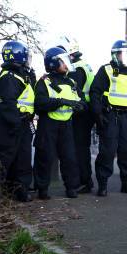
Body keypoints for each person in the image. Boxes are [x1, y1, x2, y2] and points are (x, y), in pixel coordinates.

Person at [90, 40, 127, 197]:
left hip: (126, 117)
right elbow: (95, 92)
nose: (125, 57)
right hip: (110, 116)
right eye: (122, 54)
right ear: (115, 54)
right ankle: (103, 184)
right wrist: (98, 114)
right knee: (107, 151)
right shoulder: (105, 70)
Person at [33, 47, 85, 199]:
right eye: (63, 60)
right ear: (53, 63)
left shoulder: (71, 82)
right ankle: (42, 189)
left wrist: (80, 106)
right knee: (45, 158)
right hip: (48, 125)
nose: (66, 64)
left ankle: (71, 188)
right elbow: (40, 104)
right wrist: (61, 102)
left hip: (66, 125)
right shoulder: (44, 82)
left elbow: (81, 100)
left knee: (69, 158)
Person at [0, 40, 36, 202]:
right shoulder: (9, 78)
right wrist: (16, 123)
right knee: (4, 157)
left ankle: (20, 190)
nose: (28, 60)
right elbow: (9, 104)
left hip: (21, 122)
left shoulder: (20, 76)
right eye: (26, 56)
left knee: (23, 158)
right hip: (11, 123)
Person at [57, 38, 96, 194]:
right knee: (82, 148)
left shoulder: (76, 70)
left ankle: (84, 181)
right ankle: (86, 181)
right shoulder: (83, 65)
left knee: (79, 149)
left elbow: (74, 91)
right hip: (86, 111)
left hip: (81, 113)